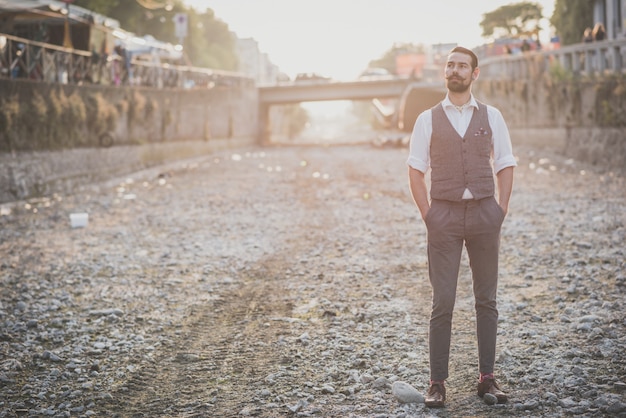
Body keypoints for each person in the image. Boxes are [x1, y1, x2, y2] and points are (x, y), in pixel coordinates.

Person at [406, 46, 516, 408]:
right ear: (445, 72)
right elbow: (415, 169)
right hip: (445, 217)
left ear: (475, 73)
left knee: (487, 300)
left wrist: (500, 209)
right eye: (450, 65)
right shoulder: (427, 119)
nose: (455, 70)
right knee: (444, 301)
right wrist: (429, 214)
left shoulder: (492, 116)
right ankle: (437, 383)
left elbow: (505, 162)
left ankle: (488, 379)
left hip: (485, 213)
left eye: (462, 65)